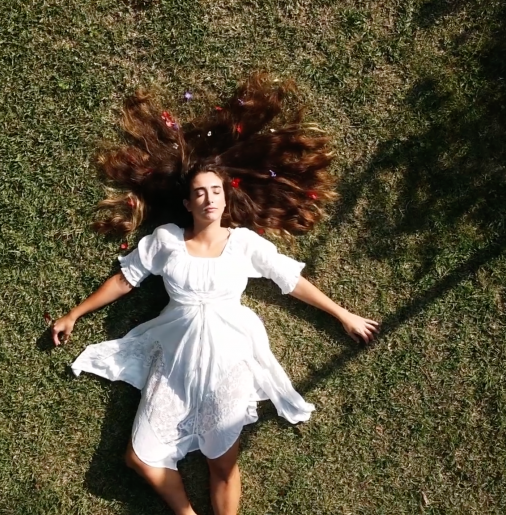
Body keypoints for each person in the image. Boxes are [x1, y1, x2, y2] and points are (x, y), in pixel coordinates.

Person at [51, 74, 379, 515]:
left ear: (226, 200)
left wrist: (343, 315)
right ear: (187, 203)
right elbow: (126, 279)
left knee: (221, 464)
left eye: (215, 192)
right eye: (199, 193)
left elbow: (289, 281)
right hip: (176, 363)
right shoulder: (166, 240)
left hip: (229, 359)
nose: (208, 199)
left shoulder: (244, 243)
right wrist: (75, 314)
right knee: (139, 457)